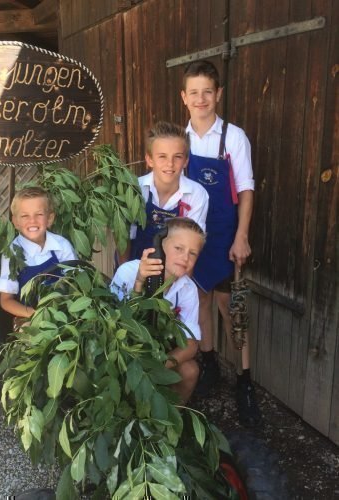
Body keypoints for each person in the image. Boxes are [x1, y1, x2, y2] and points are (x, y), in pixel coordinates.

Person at [181, 59, 261, 426]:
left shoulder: (233, 137)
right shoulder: (180, 140)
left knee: (234, 309)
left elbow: (245, 189)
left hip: (228, 235)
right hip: (196, 237)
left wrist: (242, 236)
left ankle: (245, 382)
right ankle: (209, 364)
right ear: (184, 97)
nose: (201, 99)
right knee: (201, 301)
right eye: (194, 93)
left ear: (218, 95)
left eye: (207, 92)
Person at [112, 217, 206, 404]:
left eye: (193, 253)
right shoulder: (128, 272)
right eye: (179, 249)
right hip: (124, 350)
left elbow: (191, 343)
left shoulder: (188, 289)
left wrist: (159, 366)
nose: (185, 258)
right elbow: (116, 323)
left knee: (190, 370)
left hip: (160, 354)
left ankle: (167, 425)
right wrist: (139, 283)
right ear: (161, 247)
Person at [122, 121, 209, 263]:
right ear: (149, 159)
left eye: (178, 157)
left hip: (174, 269)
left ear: (186, 161)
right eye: (162, 156)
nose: (170, 164)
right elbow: (123, 237)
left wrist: (175, 283)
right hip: (133, 264)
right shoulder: (133, 189)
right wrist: (124, 274)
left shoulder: (197, 195)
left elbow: (191, 248)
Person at [0, 186, 77, 319]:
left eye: (39, 214)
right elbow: (6, 300)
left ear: (49, 218)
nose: (32, 221)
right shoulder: (12, 254)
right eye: (25, 216)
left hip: (63, 313)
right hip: (27, 316)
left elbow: (76, 281)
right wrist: (36, 315)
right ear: (15, 222)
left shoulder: (62, 246)